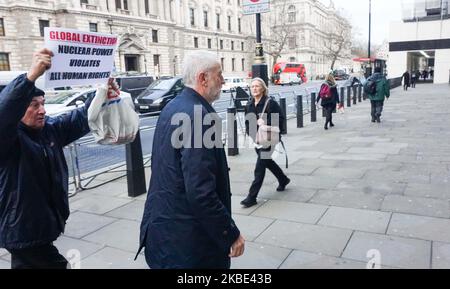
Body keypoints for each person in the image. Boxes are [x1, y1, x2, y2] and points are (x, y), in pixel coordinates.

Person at [138, 51, 245, 269]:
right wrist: (230, 233)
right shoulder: (199, 116)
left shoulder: (173, 106)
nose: (223, 80)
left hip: (164, 235)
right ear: (203, 78)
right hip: (189, 247)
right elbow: (200, 192)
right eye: (219, 74)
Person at [0, 48, 94, 269]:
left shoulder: (49, 130)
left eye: (43, 103)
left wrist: (102, 96)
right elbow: (4, 112)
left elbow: (80, 118)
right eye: (34, 105)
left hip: (42, 225)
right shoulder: (8, 138)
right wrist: (31, 76)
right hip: (23, 229)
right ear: (19, 110)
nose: (42, 110)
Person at [240, 78, 290, 209]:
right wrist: (253, 137)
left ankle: (252, 197)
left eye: (257, 86)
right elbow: (247, 123)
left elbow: (281, 119)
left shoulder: (270, 103)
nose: (254, 89)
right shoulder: (249, 104)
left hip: (270, 139)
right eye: (252, 87)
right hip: (257, 140)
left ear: (262, 88)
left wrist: (266, 123)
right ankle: (283, 179)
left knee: (259, 167)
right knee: (268, 162)